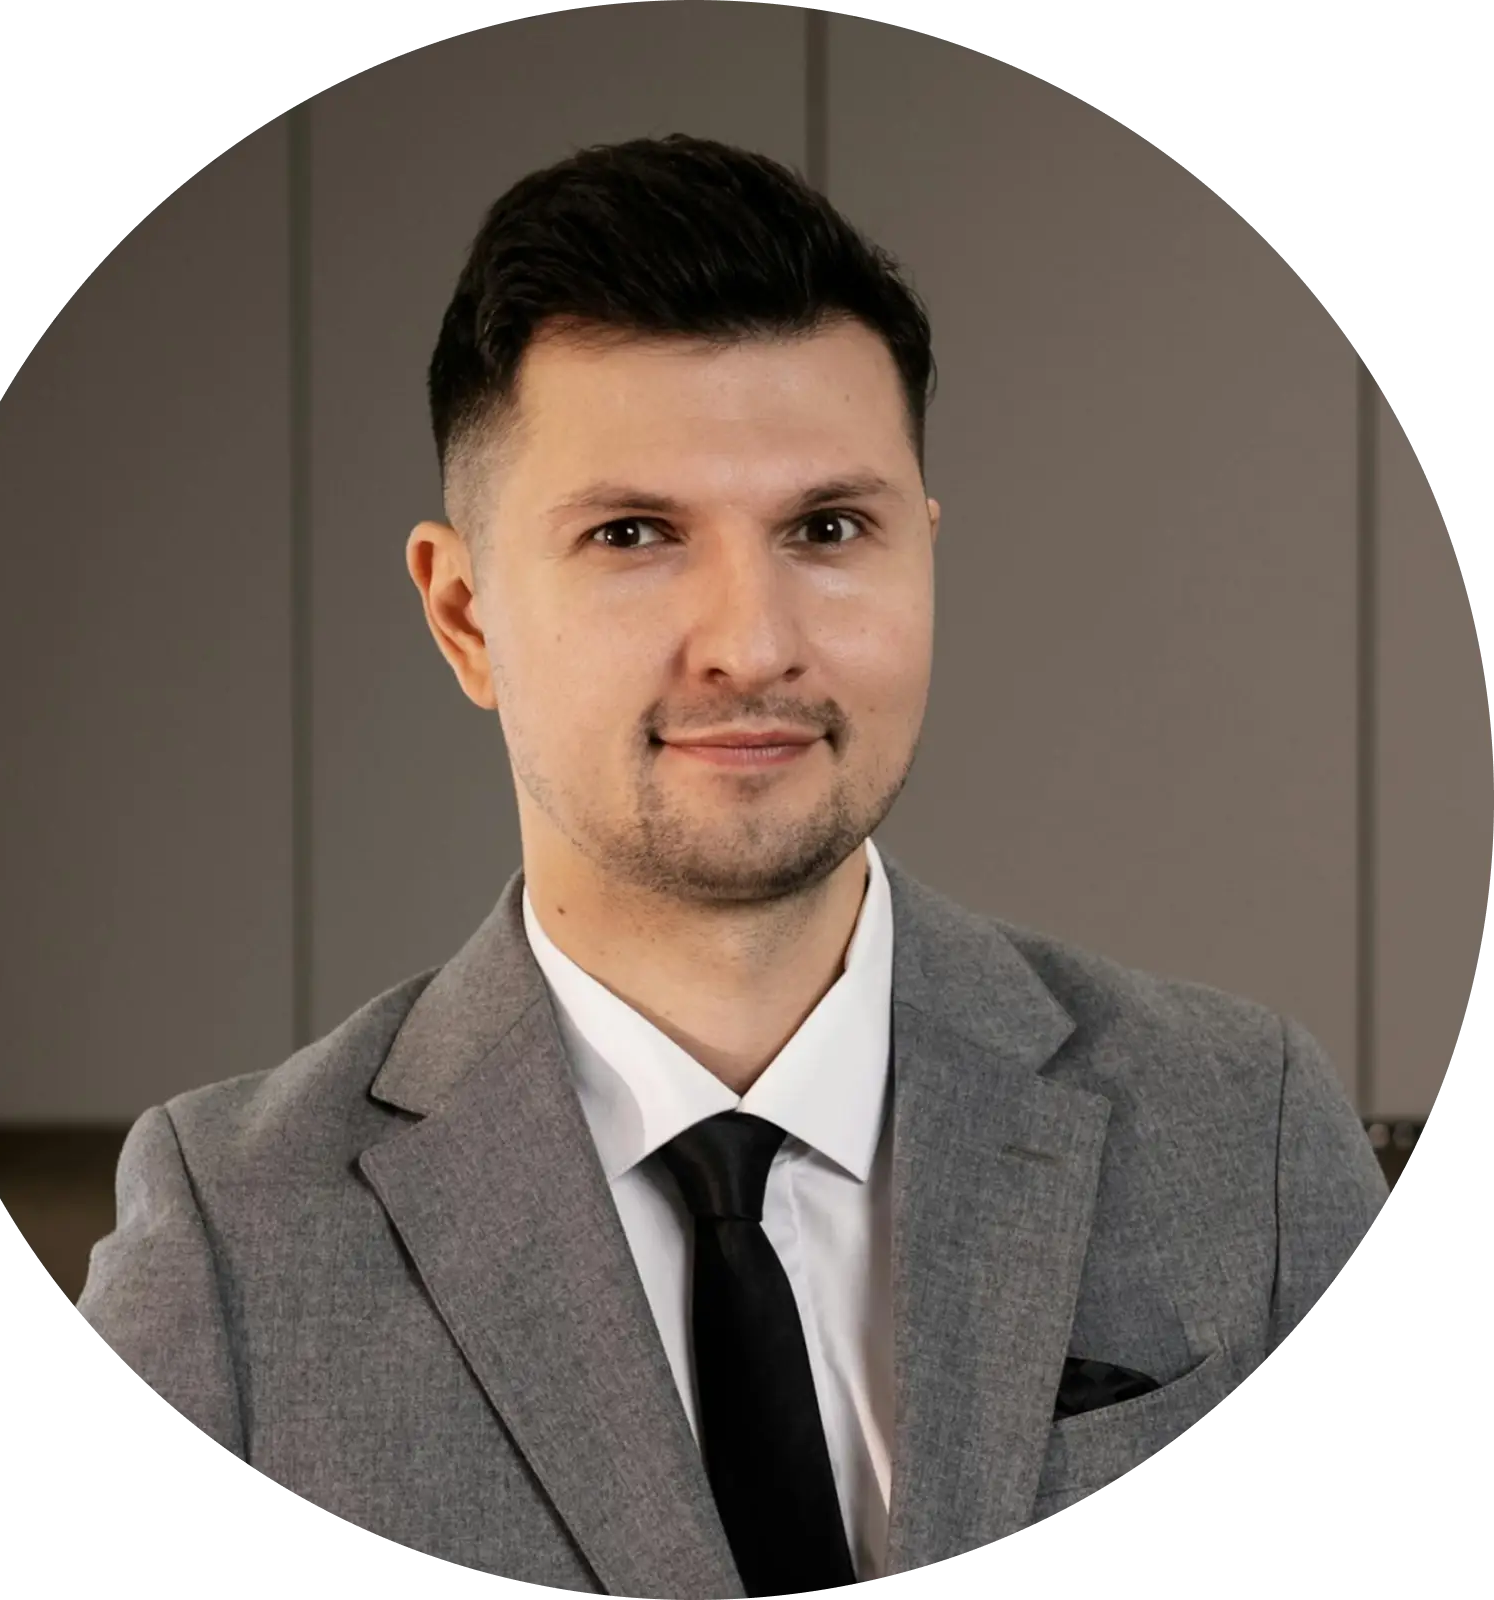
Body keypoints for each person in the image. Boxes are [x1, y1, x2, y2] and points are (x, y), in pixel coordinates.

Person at [76, 132, 1390, 1594]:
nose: (753, 641)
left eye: (829, 527)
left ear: (924, 556)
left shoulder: (1244, 1137)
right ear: (462, 616)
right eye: (633, 534)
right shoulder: (236, 1248)